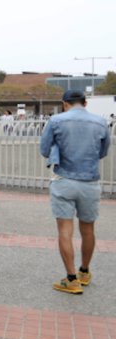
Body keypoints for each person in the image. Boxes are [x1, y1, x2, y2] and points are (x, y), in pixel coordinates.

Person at [39, 89, 110, 294]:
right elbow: (103, 152)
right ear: (85, 103)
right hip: (90, 182)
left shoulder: (56, 121)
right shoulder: (100, 122)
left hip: (64, 181)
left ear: (65, 103)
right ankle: (84, 272)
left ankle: (71, 280)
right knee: (88, 230)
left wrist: (57, 150)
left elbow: (44, 150)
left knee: (65, 231)